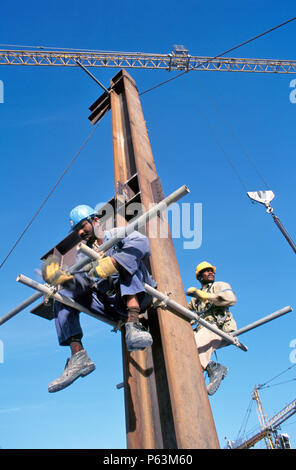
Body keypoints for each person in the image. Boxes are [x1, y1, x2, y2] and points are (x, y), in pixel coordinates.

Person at [42, 204, 155, 393]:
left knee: (126, 259)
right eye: (76, 229)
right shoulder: (83, 254)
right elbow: (80, 280)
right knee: (64, 295)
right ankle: (79, 356)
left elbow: (142, 243)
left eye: (82, 226)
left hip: (139, 297)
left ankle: (134, 324)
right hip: (112, 304)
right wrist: (60, 283)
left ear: (95, 221)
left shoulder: (117, 235)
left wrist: (113, 262)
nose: (80, 232)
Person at [186, 261, 237, 395]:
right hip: (205, 329)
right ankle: (205, 370)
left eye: (212, 270)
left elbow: (231, 299)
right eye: (207, 271)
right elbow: (185, 312)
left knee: (193, 346)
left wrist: (208, 296)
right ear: (200, 276)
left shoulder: (219, 286)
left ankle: (214, 368)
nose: (211, 272)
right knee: (187, 349)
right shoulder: (196, 300)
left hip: (218, 327)